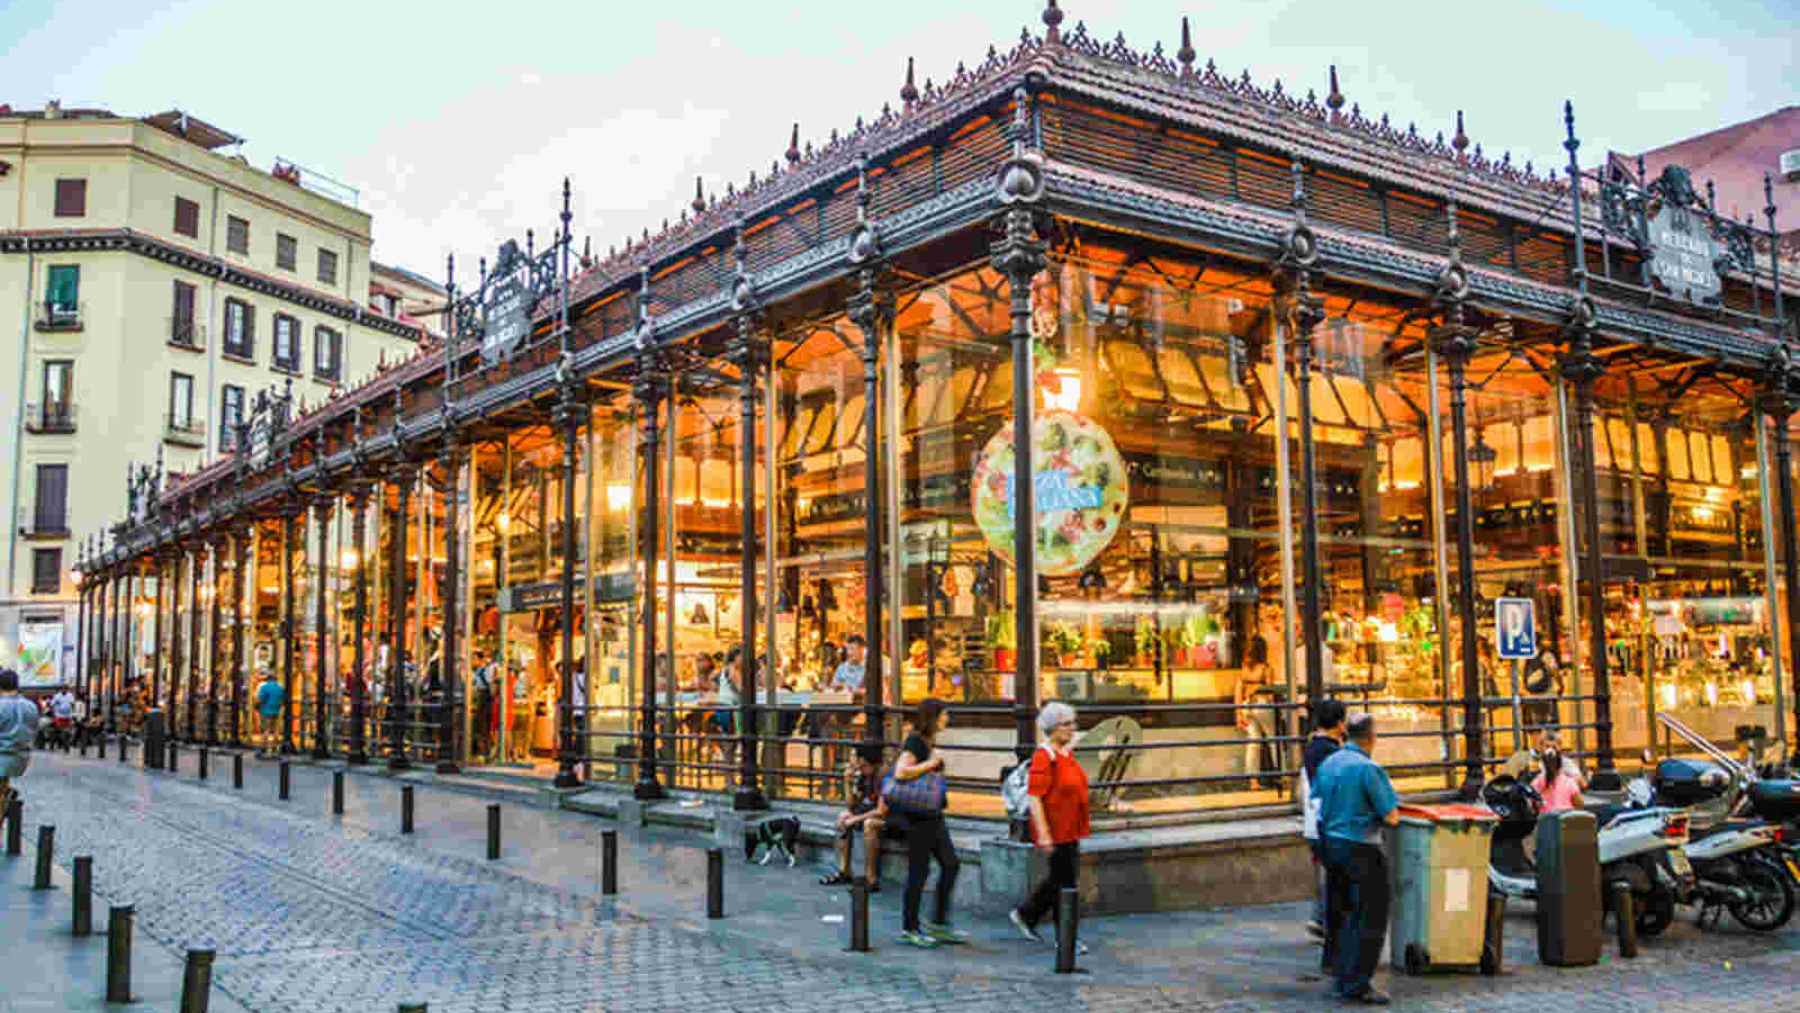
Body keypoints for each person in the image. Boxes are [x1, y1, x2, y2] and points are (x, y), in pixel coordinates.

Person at [1313, 712, 1399, 1005]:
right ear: (1371, 738)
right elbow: (1391, 815)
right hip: (1362, 846)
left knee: (1344, 912)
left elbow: (1316, 802)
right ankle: (1358, 982)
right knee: (1370, 916)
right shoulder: (1368, 769)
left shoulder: (1329, 763)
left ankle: (1341, 974)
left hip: (1331, 845)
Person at [1009, 701, 1091, 952]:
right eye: (1066, 724)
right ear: (1053, 728)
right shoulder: (1044, 756)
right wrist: (1043, 833)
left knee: (1059, 880)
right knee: (1065, 883)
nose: (1071, 729)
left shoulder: (1067, 753)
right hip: (1055, 830)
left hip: (1070, 827)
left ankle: (1027, 914)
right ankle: (1064, 938)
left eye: (1072, 723)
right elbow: (1035, 797)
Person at [891, 697, 965, 948]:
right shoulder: (915, 742)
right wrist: (930, 764)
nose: (947, 719)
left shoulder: (927, 741)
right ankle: (909, 927)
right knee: (918, 871)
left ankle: (938, 922)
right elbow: (901, 772)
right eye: (944, 715)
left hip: (932, 814)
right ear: (932, 717)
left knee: (950, 863)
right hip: (918, 817)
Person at [1298, 698, 1347, 943]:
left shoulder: (1313, 747)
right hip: (1326, 821)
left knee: (1324, 872)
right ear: (1339, 723)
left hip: (1313, 820)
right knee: (1332, 874)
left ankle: (1319, 918)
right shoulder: (1330, 752)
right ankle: (1325, 921)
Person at [821, 744, 890, 889]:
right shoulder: (864, 775)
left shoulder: (885, 776)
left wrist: (855, 819)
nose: (857, 764)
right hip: (868, 813)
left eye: (859, 760)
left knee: (868, 824)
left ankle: (871, 878)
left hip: (891, 818)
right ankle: (844, 871)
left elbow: (881, 810)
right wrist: (847, 782)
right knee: (843, 817)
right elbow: (851, 805)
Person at [0, 669, 40, 822]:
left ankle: (5, 797)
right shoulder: (30, 706)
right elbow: (34, 731)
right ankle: (6, 794)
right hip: (21, 758)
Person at [1236, 635, 1273, 790]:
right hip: (1262, 705)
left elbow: (1238, 691)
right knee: (1274, 740)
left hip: (1247, 706)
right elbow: (1270, 693)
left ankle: (1253, 781)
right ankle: (1286, 775)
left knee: (1253, 743)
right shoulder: (1265, 668)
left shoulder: (1244, 668)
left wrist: (1238, 712)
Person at [1532, 745, 1584, 813]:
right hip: (1566, 821)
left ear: (1543, 764)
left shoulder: (1537, 782)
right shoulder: (1569, 782)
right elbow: (1580, 805)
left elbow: (1532, 804)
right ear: (1560, 765)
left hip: (1545, 821)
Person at [254, 670, 287, 757]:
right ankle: (275, 748)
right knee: (276, 730)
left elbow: (260, 699)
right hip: (276, 710)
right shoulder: (280, 688)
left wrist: (256, 706)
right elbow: (283, 700)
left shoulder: (265, 687)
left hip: (265, 710)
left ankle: (263, 748)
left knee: (266, 730)